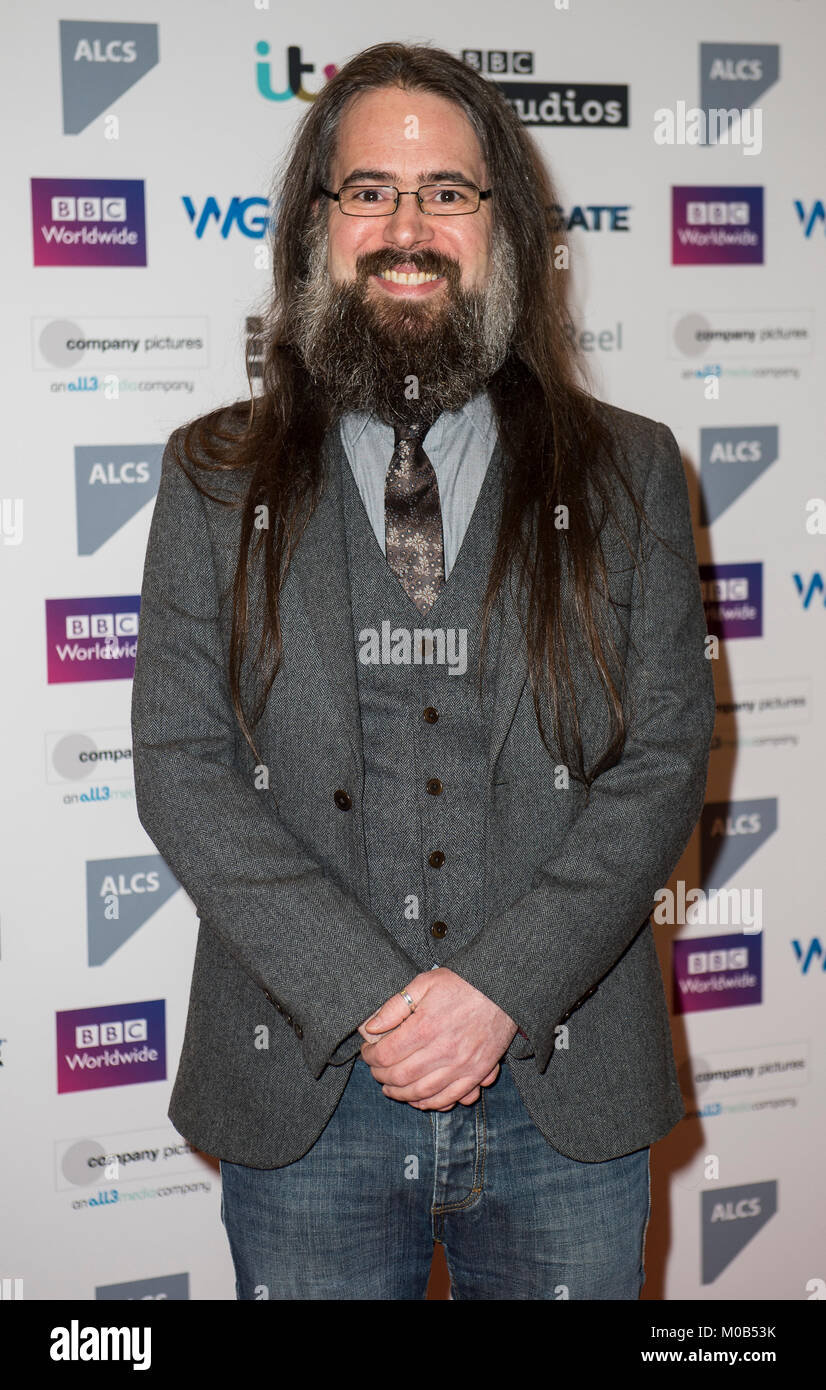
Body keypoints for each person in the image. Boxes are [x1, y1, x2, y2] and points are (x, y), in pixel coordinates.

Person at [131, 41, 716, 1300]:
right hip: (306, 1087)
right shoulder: (210, 476)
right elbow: (183, 766)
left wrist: (497, 991)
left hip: (567, 1085)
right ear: (315, 226)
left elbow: (663, 759)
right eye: (369, 192)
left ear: (502, 229)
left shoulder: (629, 471)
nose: (408, 228)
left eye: (447, 192)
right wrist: (373, 999)